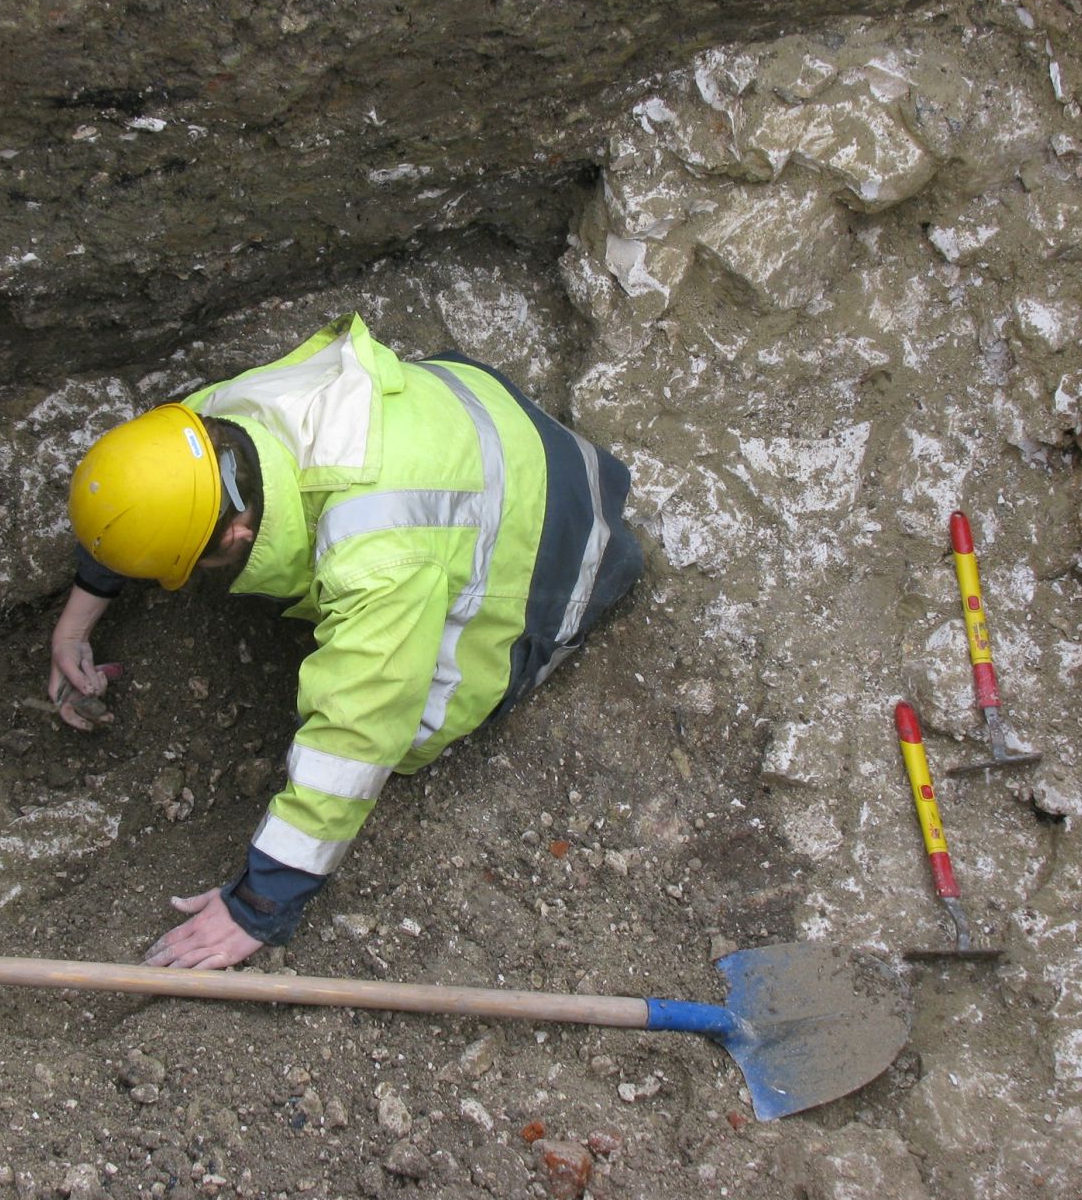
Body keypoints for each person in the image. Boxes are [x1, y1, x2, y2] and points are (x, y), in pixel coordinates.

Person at [47, 314, 642, 969]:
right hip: (474, 415)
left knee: (408, 734)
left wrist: (261, 903)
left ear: (237, 540)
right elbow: (139, 499)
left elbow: (358, 732)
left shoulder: (371, 555)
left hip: (567, 548)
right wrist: (76, 623)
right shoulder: (213, 420)